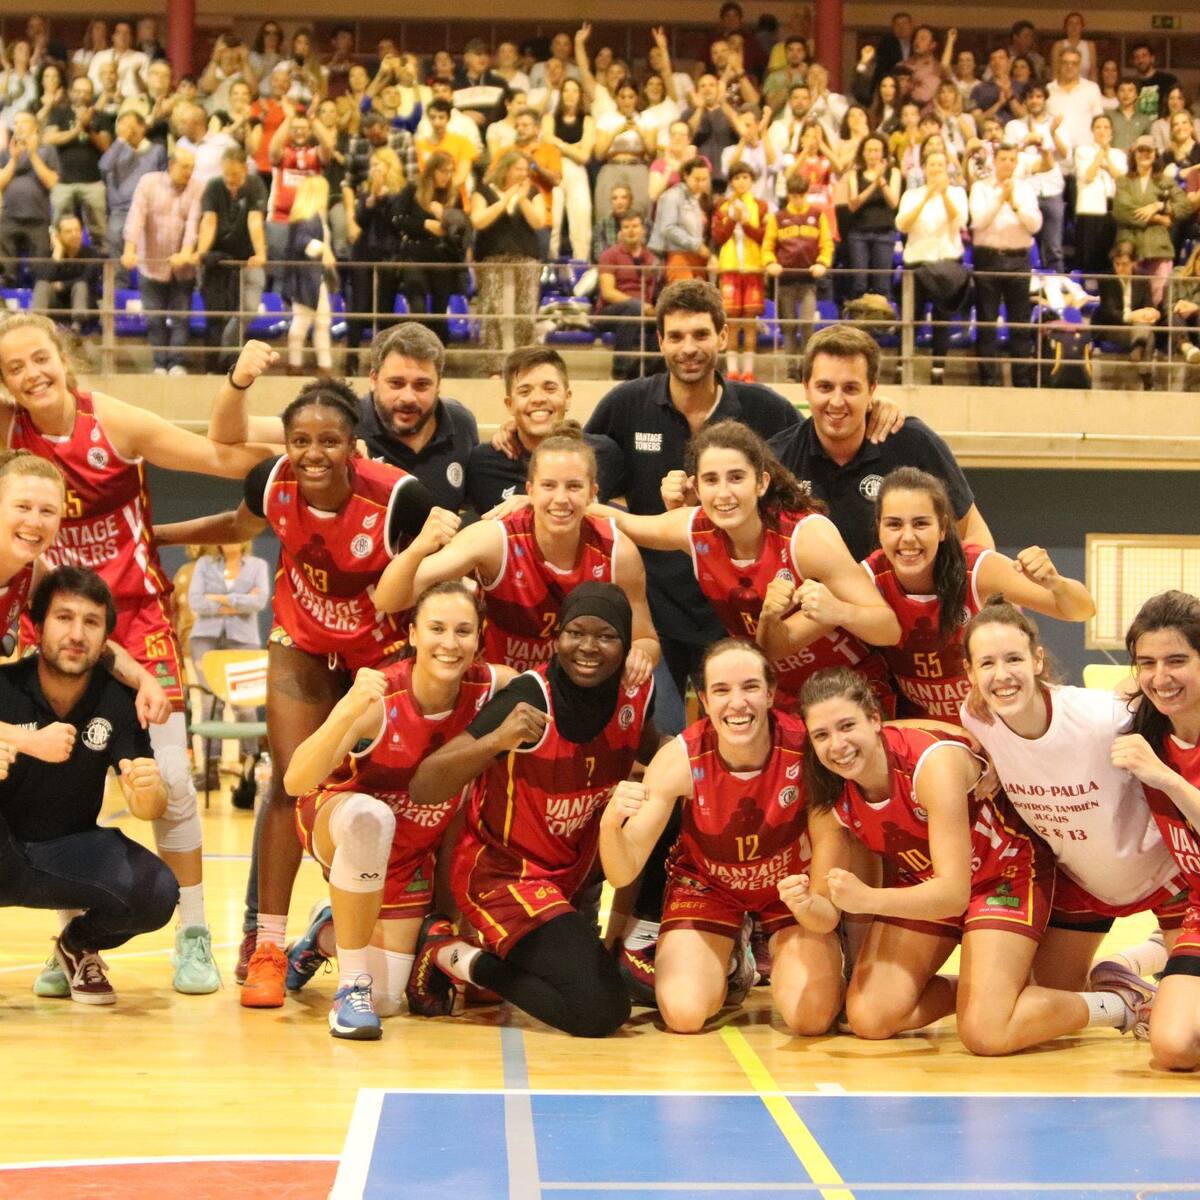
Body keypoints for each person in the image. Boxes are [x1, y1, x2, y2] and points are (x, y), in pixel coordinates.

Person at [0, 313, 270, 994]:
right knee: (57, 794)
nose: (32, 374)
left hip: (135, 622)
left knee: (174, 782)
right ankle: (77, 945)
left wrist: (284, 451)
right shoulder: (11, 432)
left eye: (40, 359)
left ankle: (196, 932)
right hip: (55, 624)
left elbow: (219, 456)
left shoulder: (115, 423)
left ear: (64, 357)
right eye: (13, 369)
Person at [154, 379, 440, 1006]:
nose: (313, 453)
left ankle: (373, 930)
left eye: (329, 441)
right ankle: (268, 946)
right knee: (289, 779)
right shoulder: (272, 479)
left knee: (391, 793)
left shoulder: (399, 499)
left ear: (353, 447)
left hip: (381, 652)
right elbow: (236, 522)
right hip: (302, 641)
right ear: (285, 443)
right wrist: (161, 537)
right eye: (300, 440)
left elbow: (447, 560)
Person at [791, 666, 1157, 1052]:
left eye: (847, 726)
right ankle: (992, 993)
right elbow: (826, 915)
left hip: (1002, 876)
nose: (838, 744)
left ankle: (1120, 1004)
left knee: (986, 1034)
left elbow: (953, 894)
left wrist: (866, 900)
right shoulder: (828, 795)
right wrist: (804, 903)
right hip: (925, 882)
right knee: (870, 1018)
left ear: (876, 720)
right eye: (822, 735)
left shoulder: (932, 764)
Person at [403, 583, 658, 1037]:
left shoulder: (637, 696)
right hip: (504, 876)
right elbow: (424, 784)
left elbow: (657, 754)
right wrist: (496, 741)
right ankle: (452, 954)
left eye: (606, 636)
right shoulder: (529, 696)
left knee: (673, 800)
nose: (588, 647)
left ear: (626, 644)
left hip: (571, 878)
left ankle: (633, 939)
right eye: (575, 633)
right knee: (601, 1011)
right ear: (556, 637)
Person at [283, 582, 515, 1037]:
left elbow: (547, 683)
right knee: (374, 817)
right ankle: (349, 990)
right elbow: (296, 781)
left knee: (389, 1000)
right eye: (436, 628)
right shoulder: (379, 699)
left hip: (409, 855)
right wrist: (345, 712)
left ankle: (324, 935)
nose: (449, 643)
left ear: (479, 639)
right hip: (340, 822)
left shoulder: (489, 688)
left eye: (463, 631)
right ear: (411, 634)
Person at [584, 280, 801, 733]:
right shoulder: (626, 405)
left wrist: (879, 410)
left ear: (723, 336)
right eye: (677, 336)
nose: (689, 348)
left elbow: (815, 451)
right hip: (653, 618)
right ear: (660, 340)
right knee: (656, 737)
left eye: (701, 335)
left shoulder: (767, 411)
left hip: (734, 614)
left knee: (738, 736)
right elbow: (577, 467)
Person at [602, 639, 842, 1033]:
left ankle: (823, 953)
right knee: (684, 1014)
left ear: (770, 693)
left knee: (811, 1018)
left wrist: (816, 905)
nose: (737, 703)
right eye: (721, 690)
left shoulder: (808, 748)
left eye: (749, 687)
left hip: (790, 884)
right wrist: (610, 824)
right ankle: (735, 967)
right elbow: (621, 872)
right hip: (708, 884)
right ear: (705, 700)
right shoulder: (679, 759)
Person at [959, 598, 1188, 999]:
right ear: (970, 672)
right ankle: (1123, 980)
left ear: (1036, 660)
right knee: (1049, 992)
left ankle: (1153, 951)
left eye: (1013, 658)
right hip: (1084, 884)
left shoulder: (1099, 718)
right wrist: (987, 763)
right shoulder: (977, 717)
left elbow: (1151, 698)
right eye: (987, 663)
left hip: (1167, 877)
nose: (1002, 675)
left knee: (1186, 1032)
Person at [592, 418, 899, 710]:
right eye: (711, 480)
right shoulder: (693, 527)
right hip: (776, 692)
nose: (724, 493)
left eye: (736, 477)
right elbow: (623, 523)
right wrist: (565, 501)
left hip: (849, 687)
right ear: (697, 489)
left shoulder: (807, 537)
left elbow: (888, 628)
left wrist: (840, 611)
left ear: (761, 482)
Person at [0, 566, 178, 1006]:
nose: (77, 633)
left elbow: (149, 808)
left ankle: (77, 943)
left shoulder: (116, 700)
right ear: (38, 628)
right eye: (64, 618)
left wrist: (148, 788)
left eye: (91, 622)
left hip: (67, 853)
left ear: (105, 642)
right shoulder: (5, 687)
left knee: (156, 892)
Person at [376, 424, 658, 679]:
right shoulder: (494, 539)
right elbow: (388, 600)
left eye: (574, 486)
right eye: (549, 486)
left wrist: (639, 656)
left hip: (576, 689)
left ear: (592, 493)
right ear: (530, 490)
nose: (561, 499)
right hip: (498, 688)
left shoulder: (618, 551)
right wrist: (419, 548)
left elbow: (647, 639)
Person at [864, 467, 1094, 721]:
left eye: (921, 523)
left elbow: (1081, 610)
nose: (908, 537)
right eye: (894, 524)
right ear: (879, 528)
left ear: (942, 528)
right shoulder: (868, 578)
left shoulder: (979, 569)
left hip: (1000, 722)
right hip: (923, 732)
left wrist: (1055, 582)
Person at [768, 324, 991, 563]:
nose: (836, 401)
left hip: (899, 601)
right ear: (806, 387)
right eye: (825, 387)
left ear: (872, 389)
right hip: (811, 599)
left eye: (851, 388)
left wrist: (955, 595)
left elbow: (975, 536)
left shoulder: (914, 443)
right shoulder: (777, 458)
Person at [1117, 592, 1200, 1070]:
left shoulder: (1154, 759)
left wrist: (1168, 778)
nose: (1160, 677)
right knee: (1172, 1048)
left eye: (1176, 660)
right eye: (1146, 663)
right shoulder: (1144, 731)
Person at [465, 348, 622, 515]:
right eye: (525, 392)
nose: (538, 398)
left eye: (550, 389)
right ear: (509, 404)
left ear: (567, 397)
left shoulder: (604, 454)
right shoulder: (482, 463)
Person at [121, 149, 201, 376]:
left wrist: (186, 254)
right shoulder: (148, 183)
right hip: (151, 263)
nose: (189, 172)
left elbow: (194, 224)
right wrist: (129, 250)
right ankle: (159, 363)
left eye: (192, 168)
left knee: (180, 316)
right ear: (172, 165)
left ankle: (176, 362)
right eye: (185, 167)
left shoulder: (197, 187)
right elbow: (136, 217)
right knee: (154, 317)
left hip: (182, 268)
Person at [970, 142, 1042, 387]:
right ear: (995, 161)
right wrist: (1001, 197)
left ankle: (1021, 380)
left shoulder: (1026, 189)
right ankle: (989, 379)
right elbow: (978, 221)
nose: (1008, 164)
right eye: (1003, 159)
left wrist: (1014, 204)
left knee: (1019, 323)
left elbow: (1034, 225)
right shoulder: (980, 188)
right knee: (987, 321)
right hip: (988, 258)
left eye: (1012, 160)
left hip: (1018, 259)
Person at [470, 150, 546, 378]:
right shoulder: (484, 191)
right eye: (518, 168)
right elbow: (478, 220)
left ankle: (526, 365)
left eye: (526, 169)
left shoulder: (533, 192)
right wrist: (505, 199)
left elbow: (539, 221)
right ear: (506, 168)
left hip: (525, 257)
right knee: (492, 311)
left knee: (525, 311)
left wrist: (521, 198)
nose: (523, 173)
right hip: (492, 256)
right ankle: (493, 367)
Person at [896, 146, 968, 382]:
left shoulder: (957, 193)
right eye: (932, 165)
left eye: (940, 165)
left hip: (946, 264)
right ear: (924, 169)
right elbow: (902, 225)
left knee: (941, 318)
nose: (936, 169)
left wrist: (944, 194)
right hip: (917, 265)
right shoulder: (912, 195)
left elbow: (960, 220)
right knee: (910, 318)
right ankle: (902, 365)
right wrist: (926, 196)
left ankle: (938, 369)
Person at [195, 146, 268, 373]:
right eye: (226, 174)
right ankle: (218, 361)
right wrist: (200, 252)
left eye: (235, 175)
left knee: (249, 308)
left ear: (245, 169)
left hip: (247, 258)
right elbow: (209, 222)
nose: (230, 180)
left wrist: (260, 253)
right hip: (219, 260)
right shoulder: (214, 186)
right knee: (216, 314)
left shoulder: (255, 185)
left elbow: (254, 221)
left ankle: (227, 348)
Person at [187, 540, 270, 721]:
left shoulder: (258, 565)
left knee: (245, 702)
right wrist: (242, 602)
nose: (230, 541)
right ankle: (213, 750)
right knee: (209, 700)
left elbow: (259, 601)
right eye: (225, 537)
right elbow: (196, 602)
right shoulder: (204, 564)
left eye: (235, 537)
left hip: (244, 640)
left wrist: (218, 598)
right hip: (205, 638)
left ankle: (251, 750)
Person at [764, 174, 834, 380]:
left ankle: (807, 369)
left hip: (807, 280)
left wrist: (822, 262)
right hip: (784, 279)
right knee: (787, 326)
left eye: (801, 195)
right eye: (794, 196)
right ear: (789, 195)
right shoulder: (778, 217)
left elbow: (826, 243)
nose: (798, 200)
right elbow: (768, 245)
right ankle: (790, 368)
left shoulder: (817, 215)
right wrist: (770, 262)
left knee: (806, 324)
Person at [392, 152, 466, 344]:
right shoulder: (413, 189)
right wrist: (424, 224)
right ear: (432, 171)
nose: (447, 176)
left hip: (443, 255)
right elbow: (398, 220)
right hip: (415, 253)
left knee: (440, 310)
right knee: (417, 306)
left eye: (451, 172)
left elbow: (461, 228)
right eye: (443, 171)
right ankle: (419, 346)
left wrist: (444, 216)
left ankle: (439, 350)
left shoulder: (454, 194)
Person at [711, 162, 769, 383]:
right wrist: (732, 220)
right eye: (737, 178)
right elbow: (718, 237)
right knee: (731, 321)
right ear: (731, 182)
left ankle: (749, 371)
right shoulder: (723, 206)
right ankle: (733, 370)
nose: (741, 182)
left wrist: (745, 223)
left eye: (745, 177)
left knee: (750, 321)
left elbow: (764, 236)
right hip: (730, 268)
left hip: (754, 268)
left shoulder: (761, 206)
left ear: (752, 180)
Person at [1115, 137, 1187, 307]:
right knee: (1131, 301)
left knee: (1159, 301)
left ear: (1155, 154)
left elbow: (1184, 206)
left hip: (1158, 247)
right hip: (1130, 248)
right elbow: (1122, 211)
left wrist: (1159, 205)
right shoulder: (1123, 181)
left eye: (1149, 150)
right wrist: (1159, 219)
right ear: (1134, 154)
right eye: (1141, 150)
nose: (1145, 154)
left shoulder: (1166, 181)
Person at [42, 76, 113, 250]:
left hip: (93, 181)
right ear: (71, 92)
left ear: (92, 95)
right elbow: (49, 138)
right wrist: (77, 129)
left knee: (100, 230)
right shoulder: (60, 112)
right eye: (78, 91)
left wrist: (88, 128)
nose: (82, 95)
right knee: (58, 226)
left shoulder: (101, 116)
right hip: (63, 180)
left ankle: (102, 266)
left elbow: (106, 145)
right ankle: (58, 258)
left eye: (86, 92)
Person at [279, 175, 335, 377]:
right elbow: (303, 243)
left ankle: (323, 365)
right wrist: (323, 250)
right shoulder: (308, 217)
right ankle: (298, 364)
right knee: (304, 321)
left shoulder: (313, 216)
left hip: (313, 277)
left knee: (321, 321)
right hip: (306, 278)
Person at [595, 209, 660, 381]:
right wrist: (641, 306)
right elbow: (608, 292)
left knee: (664, 323)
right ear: (621, 231)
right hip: (610, 312)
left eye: (635, 226)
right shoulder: (609, 255)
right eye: (626, 227)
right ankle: (619, 371)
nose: (631, 230)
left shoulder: (651, 258)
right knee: (632, 310)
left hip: (641, 312)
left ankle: (645, 373)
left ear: (643, 230)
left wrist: (652, 309)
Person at [0, 112, 61, 287]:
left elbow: (51, 181)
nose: (18, 126)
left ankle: (39, 298)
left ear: (34, 127)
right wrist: (14, 158)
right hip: (10, 217)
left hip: (38, 219)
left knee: (40, 271)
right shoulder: (6, 153)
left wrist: (33, 154)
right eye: (16, 122)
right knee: (6, 270)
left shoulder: (47, 150)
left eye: (23, 122)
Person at [1091, 238, 1159, 388]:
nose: (1120, 268)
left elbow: (1148, 305)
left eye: (1125, 264)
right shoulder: (1106, 279)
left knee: (1146, 329)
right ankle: (1145, 371)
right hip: (1113, 327)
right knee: (1148, 334)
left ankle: (1138, 348)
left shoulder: (1142, 277)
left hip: (1137, 326)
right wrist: (1132, 316)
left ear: (1134, 263)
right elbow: (1108, 312)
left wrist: (1151, 312)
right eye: (1117, 264)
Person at [99, 109, 165, 262]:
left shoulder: (157, 150)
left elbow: (163, 178)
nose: (126, 130)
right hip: (120, 209)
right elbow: (104, 166)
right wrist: (121, 141)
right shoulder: (116, 150)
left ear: (142, 127)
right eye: (121, 126)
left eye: (130, 126)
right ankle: (119, 284)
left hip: (148, 209)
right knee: (114, 239)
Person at [542, 77, 595, 261]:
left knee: (581, 222)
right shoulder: (550, 118)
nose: (570, 95)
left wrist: (560, 145)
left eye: (575, 91)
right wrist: (574, 147)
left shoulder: (587, 120)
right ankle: (549, 265)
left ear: (580, 95)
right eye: (566, 90)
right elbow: (546, 141)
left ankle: (581, 266)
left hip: (577, 172)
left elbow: (585, 156)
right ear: (561, 94)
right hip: (554, 170)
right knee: (553, 221)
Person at [843, 135, 900, 302]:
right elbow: (853, 204)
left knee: (882, 285)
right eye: (869, 150)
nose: (873, 154)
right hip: (859, 233)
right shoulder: (854, 174)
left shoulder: (893, 173)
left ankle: (882, 325)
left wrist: (881, 181)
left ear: (883, 152)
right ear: (863, 153)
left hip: (884, 233)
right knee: (859, 284)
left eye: (876, 150)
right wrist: (874, 184)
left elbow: (893, 202)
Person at [1073, 114, 1126, 280]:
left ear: (1111, 131)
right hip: (1090, 209)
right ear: (1092, 131)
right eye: (1098, 127)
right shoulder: (1083, 151)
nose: (1102, 131)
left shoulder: (1119, 154)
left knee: (1109, 255)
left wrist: (1107, 155)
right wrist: (1099, 154)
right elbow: (1088, 175)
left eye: (1106, 127)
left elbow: (1120, 178)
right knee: (1089, 256)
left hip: (1113, 208)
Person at [31, 215, 101, 332]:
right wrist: (57, 254)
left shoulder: (92, 254)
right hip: (55, 304)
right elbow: (42, 278)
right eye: (68, 231)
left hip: (83, 304)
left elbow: (88, 278)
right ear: (57, 235)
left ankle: (76, 328)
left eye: (77, 230)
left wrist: (63, 285)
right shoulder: (47, 253)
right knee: (43, 285)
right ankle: (36, 326)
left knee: (80, 285)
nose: (74, 235)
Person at [647, 156, 713, 282]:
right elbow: (668, 228)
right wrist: (696, 245)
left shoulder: (701, 199)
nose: (700, 184)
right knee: (684, 297)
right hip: (678, 256)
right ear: (686, 175)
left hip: (698, 258)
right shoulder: (672, 196)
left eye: (704, 179)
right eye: (696, 179)